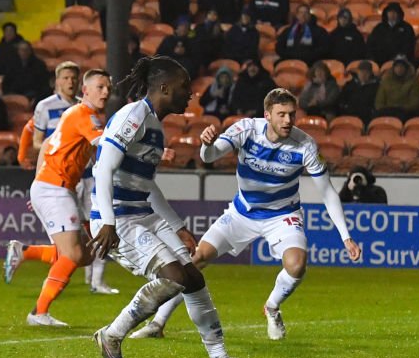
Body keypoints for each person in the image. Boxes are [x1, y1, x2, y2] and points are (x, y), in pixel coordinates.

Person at [128, 88, 362, 342]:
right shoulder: (246, 129)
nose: (288, 121)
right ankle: (158, 323)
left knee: (296, 265)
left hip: (282, 215)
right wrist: (206, 145)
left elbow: (327, 192)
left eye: (291, 115)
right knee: (194, 261)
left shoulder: (305, 144)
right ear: (267, 115)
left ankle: (271, 307)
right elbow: (211, 156)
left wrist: (346, 237)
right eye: (281, 114)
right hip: (241, 213)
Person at [88, 57, 257, 358]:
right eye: (184, 88)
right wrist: (107, 222)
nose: (190, 94)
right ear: (163, 87)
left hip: (141, 212)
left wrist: (178, 226)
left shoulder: (154, 125)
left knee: (193, 277)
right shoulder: (133, 116)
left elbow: (146, 184)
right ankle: (112, 334)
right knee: (174, 277)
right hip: (118, 218)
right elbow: (103, 169)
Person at [2, 69, 112, 326]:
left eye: (108, 88)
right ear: (85, 91)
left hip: (56, 188)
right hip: (55, 188)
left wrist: (39, 182)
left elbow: (49, 144)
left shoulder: (75, 114)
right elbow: (107, 147)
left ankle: (25, 252)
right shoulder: (84, 115)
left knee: (84, 255)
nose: (105, 92)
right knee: (74, 254)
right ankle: (39, 313)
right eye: (100, 87)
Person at [31, 61, 80, 155]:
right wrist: (57, 149)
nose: (70, 82)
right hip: (56, 165)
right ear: (57, 81)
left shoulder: (84, 105)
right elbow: (37, 143)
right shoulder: (45, 106)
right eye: (66, 78)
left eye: (74, 78)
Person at [373, 55, 419, 122]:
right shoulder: (386, 81)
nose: (399, 68)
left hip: (405, 112)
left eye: (402, 66)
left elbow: (415, 103)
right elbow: (379, 102)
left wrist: (400, 108)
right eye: (397, 66)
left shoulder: (413, 82)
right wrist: (388, 109)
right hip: (388, 111)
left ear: (406, 68)